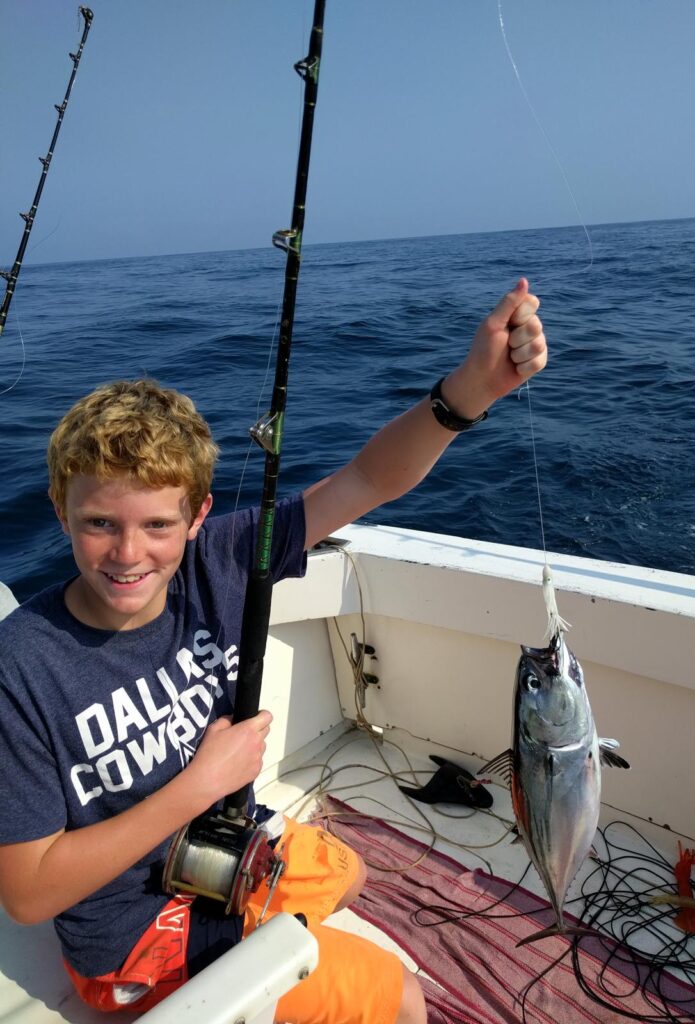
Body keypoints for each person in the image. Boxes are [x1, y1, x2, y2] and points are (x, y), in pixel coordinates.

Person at [0, 279, 547, 1024]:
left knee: (351, 877)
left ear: (198, 517)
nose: (128, 554)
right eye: (99, 523)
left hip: (230, 854)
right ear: (61, 510)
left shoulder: (221, 559)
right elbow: (28, 892)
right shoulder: (23, 664)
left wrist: (466, 396)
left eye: (157, 525)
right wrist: (197, 787)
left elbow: (363, 481)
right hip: (137, 936)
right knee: (402, 995)